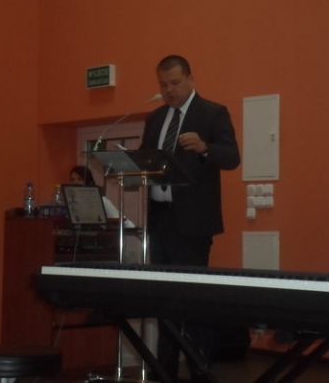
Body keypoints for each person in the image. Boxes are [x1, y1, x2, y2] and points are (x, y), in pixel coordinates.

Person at [139, 55, 240, 382]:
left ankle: (200, 371)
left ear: (190, 79)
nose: (169, 90)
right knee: (164, 302)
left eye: (175, 83)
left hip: (193, 225)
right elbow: (145, 159)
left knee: (192, 302)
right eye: (163, 84)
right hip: (160, 221)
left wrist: (205, 147)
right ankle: (164, 372)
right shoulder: (155, 118)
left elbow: (232, 157)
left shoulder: (212, 112)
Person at [69, 165, 135, 228]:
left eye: (79, 179)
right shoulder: (70, 202)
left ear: (87, 182)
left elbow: (125, 222)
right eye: (73, 180)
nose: (75, 182)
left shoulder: (101, 201)